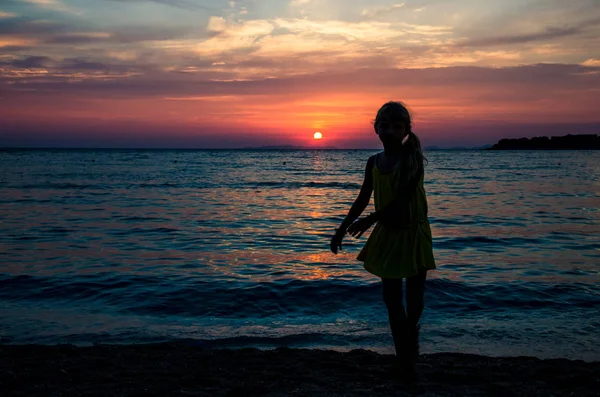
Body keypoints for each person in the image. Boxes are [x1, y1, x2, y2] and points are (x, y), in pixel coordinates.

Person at [329, 101, 436, 374]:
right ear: (375, 128)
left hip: (413, 232)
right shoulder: (373, 162)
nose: (390, 130)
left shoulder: (412, 160)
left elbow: (402, 199)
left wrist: (370, 220)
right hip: (388, 234)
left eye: (396, 126)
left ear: (406, 131)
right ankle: (403, 352)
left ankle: (411, 335)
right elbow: (363, 197)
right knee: (391, 298)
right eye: (384, 125)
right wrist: (342, 228)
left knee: (414, 299)